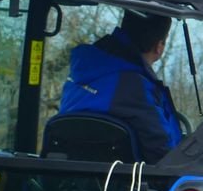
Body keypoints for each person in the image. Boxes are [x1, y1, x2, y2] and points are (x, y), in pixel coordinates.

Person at [56, 11, 184, 162]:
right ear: (159, 47)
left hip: (61, 180)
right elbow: (163, 154)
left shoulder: (78, 71)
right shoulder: (136, 87)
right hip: (120, 183)